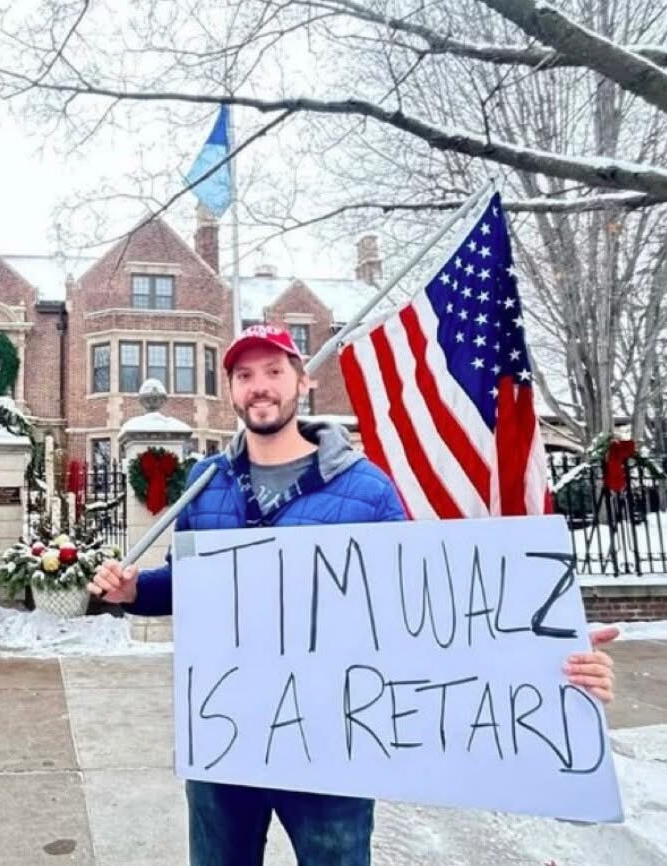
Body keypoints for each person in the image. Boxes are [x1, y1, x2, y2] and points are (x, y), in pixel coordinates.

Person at [88, 324, 617, 866]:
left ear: (303, 381)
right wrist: (132, 591)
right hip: (225, 738)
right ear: (230, 390)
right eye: (244, 375)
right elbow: (187, 587)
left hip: (330, 747)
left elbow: (426, 604)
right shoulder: (206, 482)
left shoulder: (366, 490)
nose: (259, 386)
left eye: (274, 371)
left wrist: (543, 653)